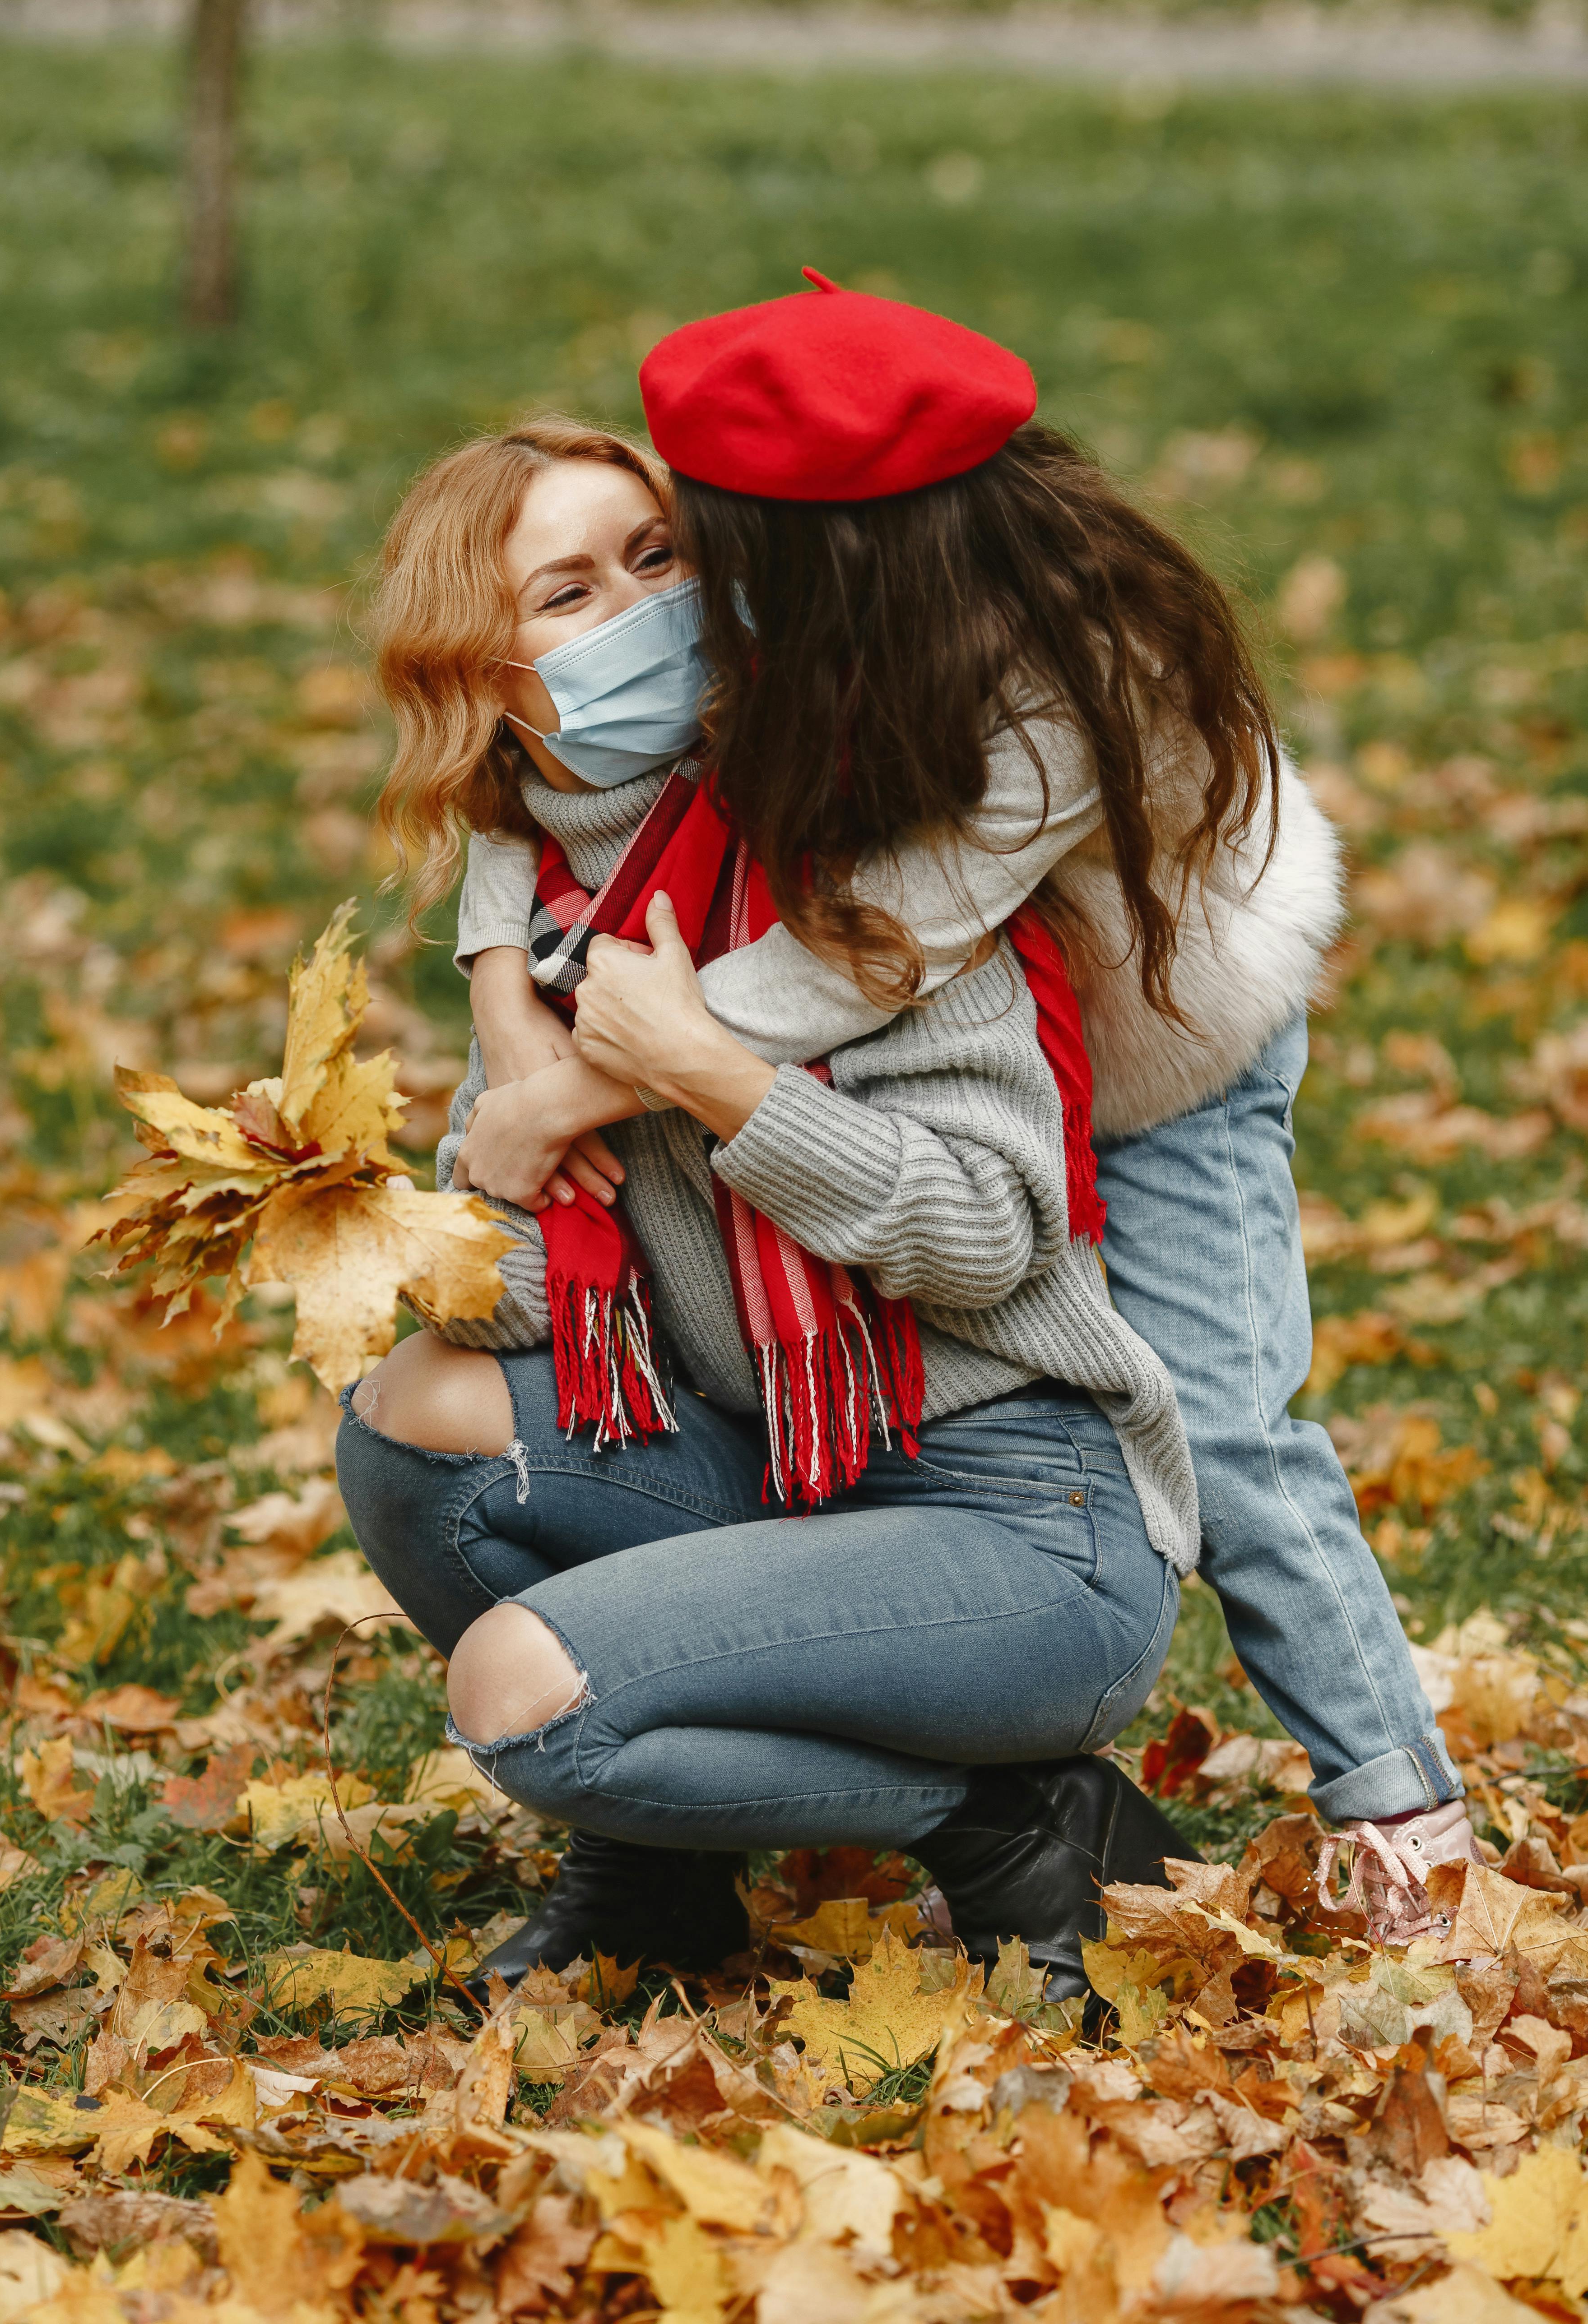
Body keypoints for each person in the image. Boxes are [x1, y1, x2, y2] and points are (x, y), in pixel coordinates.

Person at [346, 282, 1476, 1981]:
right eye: (586, 589)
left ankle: (1399, 1812)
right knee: (412, 1420)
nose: (662, 609)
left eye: (669, 559)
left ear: (811, 552)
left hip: (1170, 1045)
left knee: (1231, 1434)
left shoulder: (1013, 716)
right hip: (854, 1232)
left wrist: (622, 1071)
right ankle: (668, 1855)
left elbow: (857, 966)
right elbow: (547, 811)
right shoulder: (757, 703)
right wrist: (504, 1005)